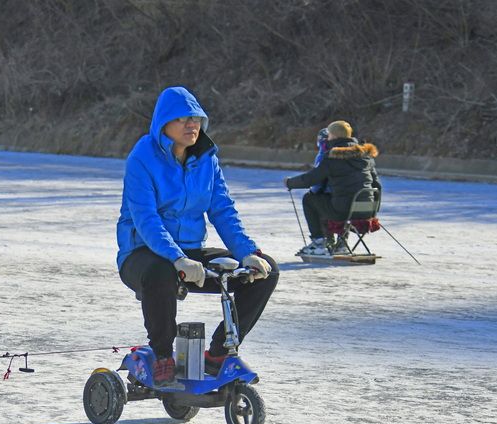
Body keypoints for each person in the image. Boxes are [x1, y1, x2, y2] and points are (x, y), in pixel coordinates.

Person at [116, 86, 278, 386]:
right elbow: (146, 219)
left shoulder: (206, 158)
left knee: (263, 273)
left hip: (191, 252)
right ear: (163, 123)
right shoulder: (142, 157)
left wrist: (247, 252)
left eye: (197, 118)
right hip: (142, 253)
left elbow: (222, 210)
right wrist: (176, 258)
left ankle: (219, 352)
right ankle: (162, 354)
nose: (192, 125)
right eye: (183, 119)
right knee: (161, 273)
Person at [285, 120, 381, 256]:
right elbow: (377, 185)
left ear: (335, 137)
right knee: (340, 199)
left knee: (309, 199)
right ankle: (342, 242)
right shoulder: (366, 157)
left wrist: (290, 183)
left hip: (342, 210)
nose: (328, 138)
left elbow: (311, 179)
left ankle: (319, 242)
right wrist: (374, 209)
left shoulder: (333, 157)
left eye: (329, 135)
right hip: (367, 210)